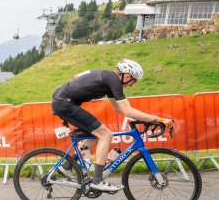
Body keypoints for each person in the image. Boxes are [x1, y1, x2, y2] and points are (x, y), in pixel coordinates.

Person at [50, 59, 173, 192]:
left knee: (96, 135)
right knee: (105, 135)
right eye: (133, 80)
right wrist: (156, 119)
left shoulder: (109, 80)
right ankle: (97, 180)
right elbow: (127, 110)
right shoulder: (113, 80)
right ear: (127, 75)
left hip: (63, 102)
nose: (132, 85)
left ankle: (67, 165)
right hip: (65, 104)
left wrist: (137, 118)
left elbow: (119, 109)